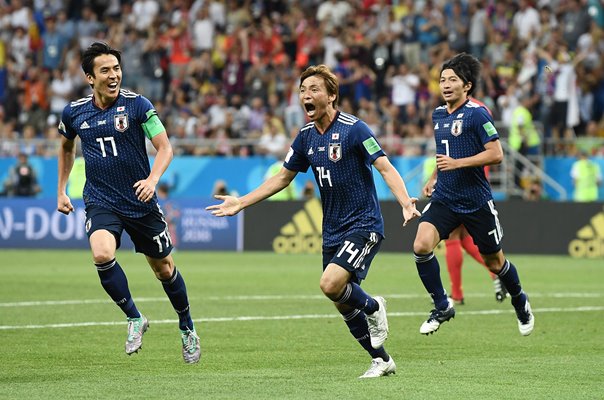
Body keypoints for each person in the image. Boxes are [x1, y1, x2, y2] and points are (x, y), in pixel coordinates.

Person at [207, 64, 421, 378]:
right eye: (303, 91)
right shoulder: (306, 136)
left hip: (363, 224)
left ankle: (375, 306)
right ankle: (381, 360)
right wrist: (241, 202)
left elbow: (385, 167)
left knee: (330, 284)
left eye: (314, 90)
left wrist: (404, 202)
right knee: (340, 300)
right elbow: (282, 178)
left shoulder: (354, 129)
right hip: (332, 229)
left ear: (332, 96)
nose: (307, 95)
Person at [56, 42, 200, 364]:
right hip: (101, 199)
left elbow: (165, 148)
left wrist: (152, 181)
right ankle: (135, 318)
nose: (113, 75)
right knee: (102, 253)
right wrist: (62, 190)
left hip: (140, 200)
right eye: (105, 70)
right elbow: (66, 147)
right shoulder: (75, 112)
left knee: (164, 269)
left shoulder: (138, 106)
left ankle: (186, 326)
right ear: (89, 78)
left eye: (116, 69)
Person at [413, 53, 534, 337]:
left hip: (476, 201)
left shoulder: (477, 114)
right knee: (421, 245)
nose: (445, 84)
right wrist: (433, 177)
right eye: (442, 80)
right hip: (445, 197)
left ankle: (520, 300)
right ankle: (443, 304)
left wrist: (457, 164)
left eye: (452, 80)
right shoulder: (438, 114)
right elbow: (444, 153)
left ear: (466, 86)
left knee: (496, 262)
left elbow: (496, 154)